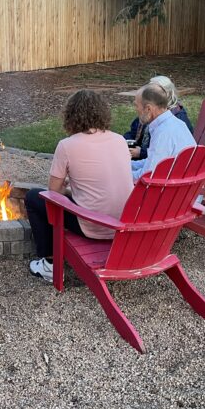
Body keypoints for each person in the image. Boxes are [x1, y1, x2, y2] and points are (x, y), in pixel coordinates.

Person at [25, 90, 134, 283]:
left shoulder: (67, 145)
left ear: (70, 115)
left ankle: (49, 264)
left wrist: (69, 190)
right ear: (102, 113)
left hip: (92, 224)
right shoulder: (119, 140)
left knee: (35, 197)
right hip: (123, 222)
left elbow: (53, 192)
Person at [131, 84, 196, 182]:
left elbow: (148, 175)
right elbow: (153, 162)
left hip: (167, 190)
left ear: (148, 108)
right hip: (181, 186)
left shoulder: (163, 132)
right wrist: (127, 164)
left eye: (136, 105)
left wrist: (117, 174)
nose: (136, 109)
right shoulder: (176, 123)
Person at [124, 75, 193, 160]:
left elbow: (157, 160)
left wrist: (141, 153)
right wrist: (127, 142)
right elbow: (133, 132)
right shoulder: (154, 115)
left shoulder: (172, 122)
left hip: (157, 164)